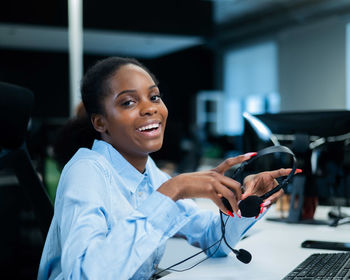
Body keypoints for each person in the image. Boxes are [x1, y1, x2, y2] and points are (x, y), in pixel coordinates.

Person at [38, 56, 295, 280]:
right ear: (100, 122)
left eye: (154, 97)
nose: (150, 108)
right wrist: (174, 189)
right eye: (128, 102)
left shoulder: (149, 172)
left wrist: (249, 201)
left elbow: (213, 239)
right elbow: (84, 276)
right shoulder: (87, 170)